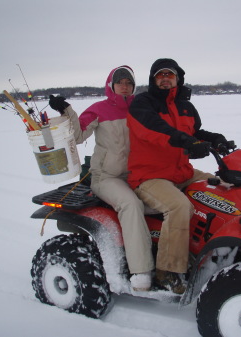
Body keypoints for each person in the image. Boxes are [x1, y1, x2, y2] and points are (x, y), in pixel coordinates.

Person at [126, 58, 231, 294]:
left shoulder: (185, 106)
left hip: (182, 172)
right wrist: (187, 141)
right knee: (179, 207)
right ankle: (168, 272)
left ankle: (219, 243)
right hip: (149, 175)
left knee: (224, 186)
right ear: (154, 79)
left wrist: (215, 139)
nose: (165, 78)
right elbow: (155, 130)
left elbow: (195, 132)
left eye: (169, 75)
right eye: (160, 75)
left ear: (177, 79)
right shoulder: (142, 103)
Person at [49, 66, 154, 291]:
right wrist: (67, 110)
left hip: (138, 173)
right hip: (107, 177)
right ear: (111, 85)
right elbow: (77, 136)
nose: (124, 86)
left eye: (129, 82)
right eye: (120, 82)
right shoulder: (100, 109)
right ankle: (141, 271)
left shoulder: (140, 108)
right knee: (131, 204)